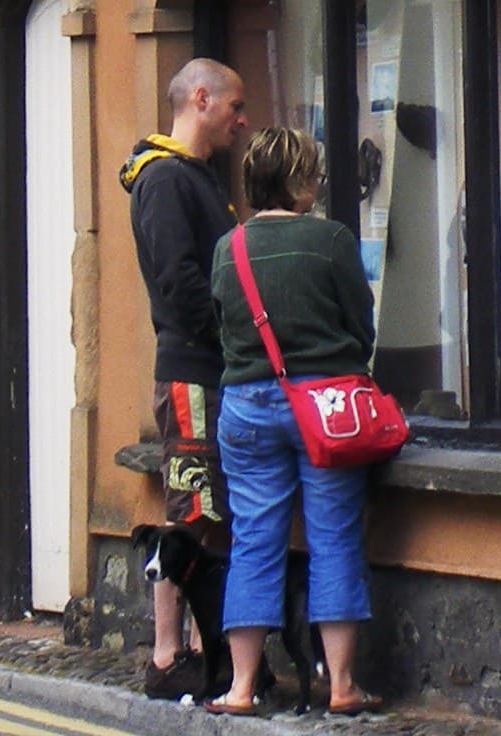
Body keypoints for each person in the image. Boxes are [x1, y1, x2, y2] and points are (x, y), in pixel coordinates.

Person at [206, 123, 381, 719]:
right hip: (325, 406)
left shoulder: (228, 248)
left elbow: (222, 328)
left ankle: (241, 687)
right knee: (333, 537)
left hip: (245, 405)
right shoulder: (330, 240)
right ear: (301, 181)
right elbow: (361, 324)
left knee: (254, 539)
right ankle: (342, 684)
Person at [121, 57, 250, 702]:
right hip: (193, 371)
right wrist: (234, 336)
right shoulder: (167, 179)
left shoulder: (193, 175)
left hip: (210, 369)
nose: (242, 120)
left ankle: (204, 650)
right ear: (201, 99)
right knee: (191, 510)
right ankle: (168, 655)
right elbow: (179, 281)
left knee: (209, 510)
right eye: (234, 106)